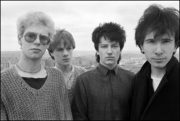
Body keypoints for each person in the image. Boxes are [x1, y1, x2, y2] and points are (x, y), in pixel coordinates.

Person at [1, 11, 72, 120]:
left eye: (43, 38)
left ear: (48, 43)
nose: (37, 42)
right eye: (31, 36)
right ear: (20, 39)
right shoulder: (3, 82)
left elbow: (67, 117)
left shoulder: (57, 77)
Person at [71, 22, 134, 120]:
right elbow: (79, 116)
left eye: (114, 46)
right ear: (97, 50)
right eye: (104, 46)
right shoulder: (84, 81)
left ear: (120, 49)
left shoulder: (132, 79)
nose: (109, 51)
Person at [130, 4, 179, 120]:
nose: (158, 51)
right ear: (141, 46)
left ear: (175, 46)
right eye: (151, 41)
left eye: (166, 41)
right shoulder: (137, 80)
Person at [48, 29, 86, 104]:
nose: (65, 53)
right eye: (60, 50)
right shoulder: (47, 78)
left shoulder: (83, 74)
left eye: (69, 48)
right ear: (51, 52)